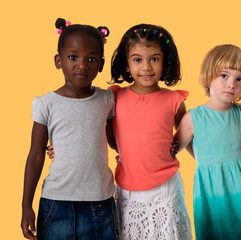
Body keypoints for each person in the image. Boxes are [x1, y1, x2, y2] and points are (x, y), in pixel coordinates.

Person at [21, 18, 119, 240]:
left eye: (91, 59)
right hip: (57, 204)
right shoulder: (45, 103)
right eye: (73, 57)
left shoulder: (107, 98)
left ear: (101, 65)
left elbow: (115, 141)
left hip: (100, 204)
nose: (82, 65)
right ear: (58, 60)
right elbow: (36, 155)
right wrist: (26, 205)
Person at [109, 24, 192, 239]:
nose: (146, 67)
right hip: (128, 187)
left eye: (154, 59)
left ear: (165, 62)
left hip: (165, 188)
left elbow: (188, 131)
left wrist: (177, 145)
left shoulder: (173, 100)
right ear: (126, 65)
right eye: (137, 60)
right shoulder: (115, 98)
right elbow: (108, 136)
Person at [173, 44, 241, 239]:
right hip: (211, 192)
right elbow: (171, 150)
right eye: (224, 76)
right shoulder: (194, 117)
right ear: (208, 75)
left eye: (239, 79)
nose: (232, 84)